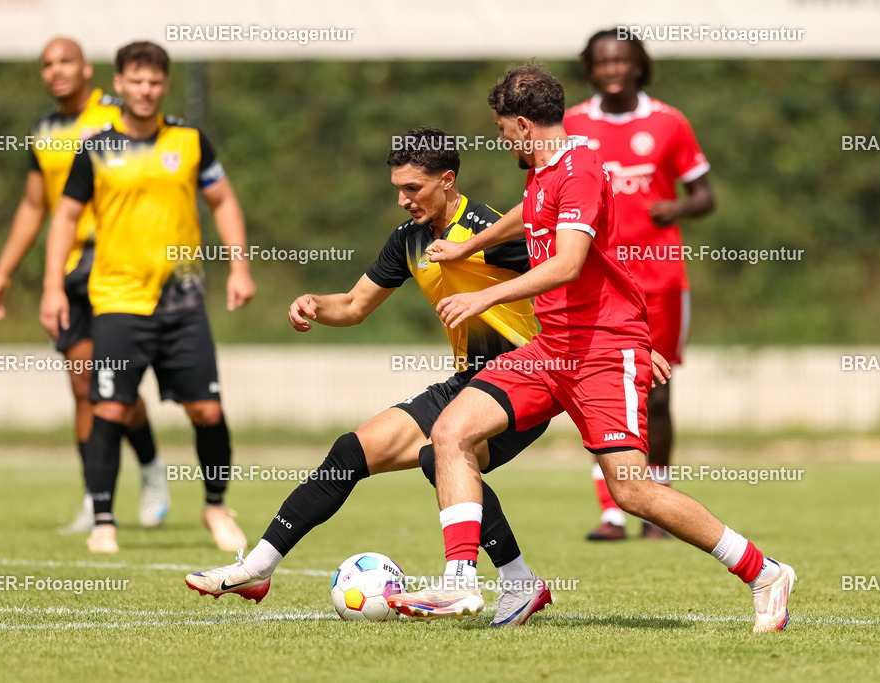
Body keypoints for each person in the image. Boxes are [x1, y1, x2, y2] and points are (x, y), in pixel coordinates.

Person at [387, 64, 796, 633]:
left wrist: (488, 297)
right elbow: (526, 217)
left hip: (602, 351)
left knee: (632, 491)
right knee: (451, 432)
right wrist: (470, 247)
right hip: (552, 347)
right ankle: (460, 582)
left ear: (525, 126)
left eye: (504, 131)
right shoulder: (544, 169)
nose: (503, 141)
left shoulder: (578, 170)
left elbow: (569, 262)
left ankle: (764, 571)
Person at [185, 126, 563, 627]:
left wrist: (626, 345)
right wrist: (315, 304)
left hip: (521, 382)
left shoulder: (488, 231)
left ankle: (513, 583)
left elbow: (572, 268)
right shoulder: (408, 241)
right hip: (465, 382)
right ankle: (257, 567)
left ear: (447, 180)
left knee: (442, 454)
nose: (403, 200)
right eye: (397, 190)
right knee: (350, 452)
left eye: (414, 188)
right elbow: (356, 304)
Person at [40, 41, 254, 554]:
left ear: (164, 85)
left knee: (206, 410)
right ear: (118, 84)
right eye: (135, 81)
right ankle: (104, 521)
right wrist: (52, 286)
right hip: (116, 299)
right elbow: (66, 217)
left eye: (154, 81)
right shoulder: (94, 147)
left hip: (181, 300)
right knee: (109, 408)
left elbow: (222, 201)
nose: (145, 90)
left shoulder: (190, 139)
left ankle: (216, 507)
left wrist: (239, 267)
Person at [0, 37, 166, 534]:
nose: (55, 70)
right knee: (85, 384)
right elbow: (35, 207)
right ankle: (95, 498)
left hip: (121, 269)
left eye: (65, 61)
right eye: (46, 64)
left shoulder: (114, 116)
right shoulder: (43, 129)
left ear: (87, 68)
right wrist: (2, 273)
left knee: (112, 384)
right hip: (69, 272)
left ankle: (150, 470)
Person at [564, 29, 716, 541]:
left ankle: (660, 507)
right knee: (595, 390)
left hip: (660, 278)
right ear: (591, 68)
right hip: (597, 283)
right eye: (603, 62)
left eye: (622, 61)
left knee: (657, 394)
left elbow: (704, 195)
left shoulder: (669, 123)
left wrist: (677, 206)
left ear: (638, 66)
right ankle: (611, 512)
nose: (613, 70)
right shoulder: (573, 125)